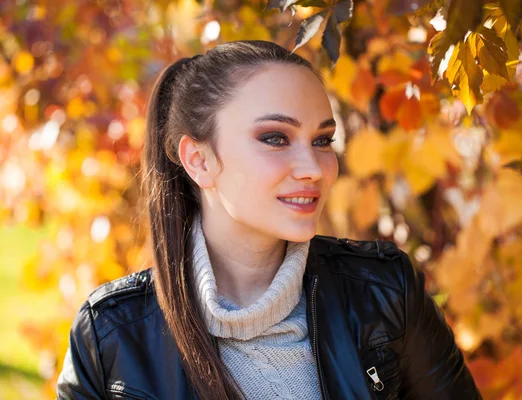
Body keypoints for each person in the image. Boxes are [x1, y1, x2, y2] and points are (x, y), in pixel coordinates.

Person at [56, 40, 481, 400]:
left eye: (322, 140)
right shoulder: (111, 335)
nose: (313, 167)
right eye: (275, 138)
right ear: (198, 160)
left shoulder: (385, 295)